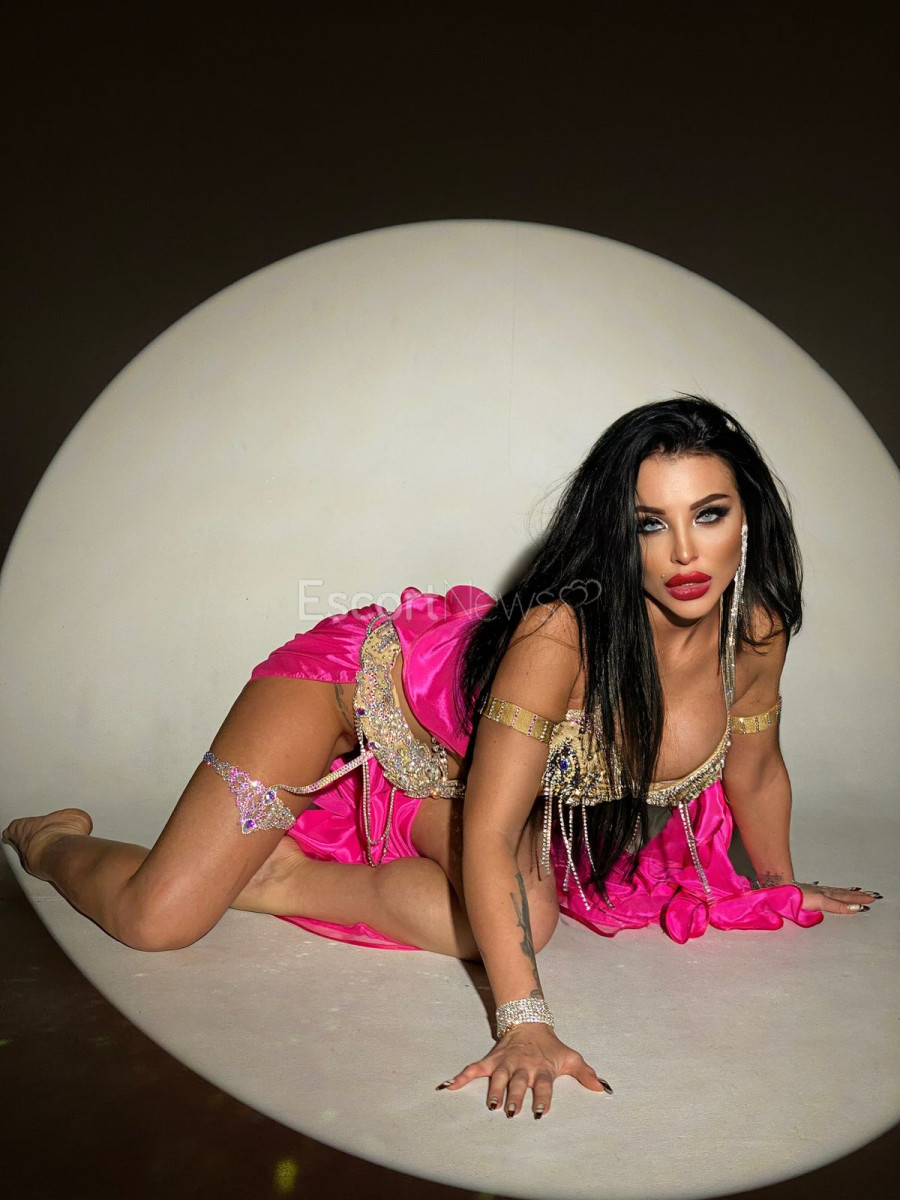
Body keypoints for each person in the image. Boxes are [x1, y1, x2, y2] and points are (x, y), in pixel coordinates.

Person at [2, 396, 881, 1122]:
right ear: (618, 534)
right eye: (651, 523)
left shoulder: (754, 629)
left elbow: (754, 769)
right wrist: (524, 1023)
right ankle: (46, 838)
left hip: (455, 768)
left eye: (709, 514)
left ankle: (278, 876)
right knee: (158, 921)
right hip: (352, 692)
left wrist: (775, 888)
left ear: (748, 516)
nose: (686, 553)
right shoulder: (560, 636)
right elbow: (490, 834)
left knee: (528, 921)